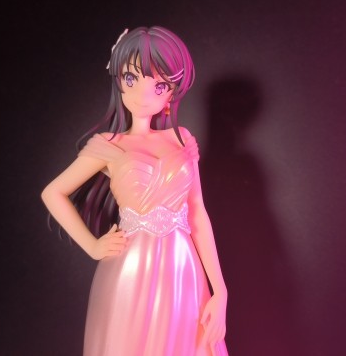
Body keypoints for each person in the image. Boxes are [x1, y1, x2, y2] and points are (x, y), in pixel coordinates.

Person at [41, 26, 228, 355]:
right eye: (131, 79)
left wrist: (220, 290)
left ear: (170, 93)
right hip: (130, 268)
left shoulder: (181, 139)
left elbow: (197, 212)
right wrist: (93, 246)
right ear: (119, 81)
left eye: (159, 85)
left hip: (182, 270)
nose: (143, 94)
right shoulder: (110, 145)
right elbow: (53, 193)